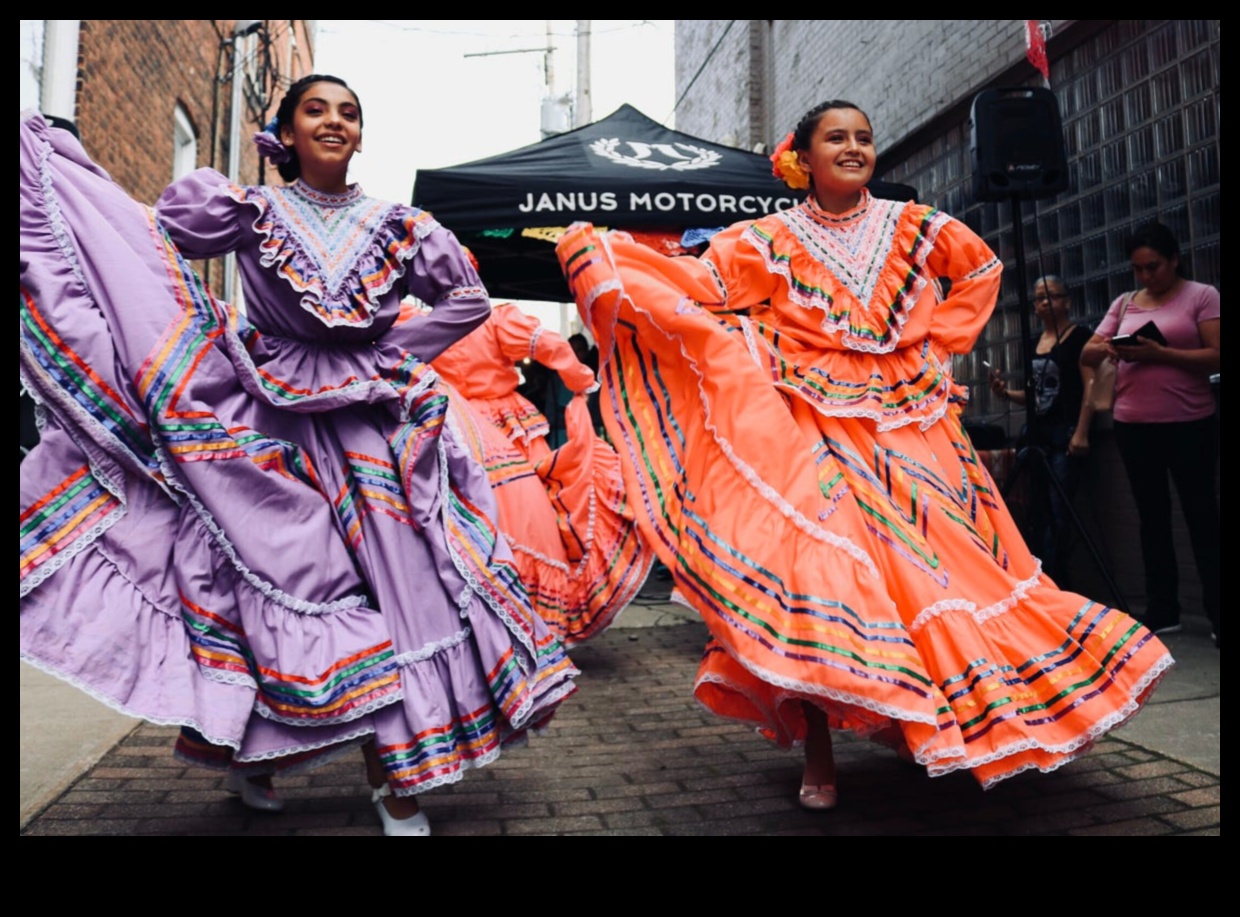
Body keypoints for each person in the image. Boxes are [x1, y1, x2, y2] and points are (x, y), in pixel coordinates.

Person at [556, 100, 1172, 808]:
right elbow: (705, 288)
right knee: (826, 581)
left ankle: (933, 718)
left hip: (915, 430)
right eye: (836, 138)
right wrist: (612, 257)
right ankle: (819, 756)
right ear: (804, 160)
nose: (854, 147)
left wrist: (937, 347)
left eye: (864, 137)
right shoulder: (765, 239)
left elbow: (979, 271)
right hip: (815, 428)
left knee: (941, 576)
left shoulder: (915, 226)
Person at [19, 75, 578, 836]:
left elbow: (467, 302)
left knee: (397, 593)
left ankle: (398, 784)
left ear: (360, 136)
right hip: (266, 419)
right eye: (316, 109)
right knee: (270, 583)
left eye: (349, 112)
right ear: (286, 132)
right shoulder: (252, 210)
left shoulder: (398, 225)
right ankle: (255, 757)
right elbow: (151, 242)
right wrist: (62, 177)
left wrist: (385, 353)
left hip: (369, 428)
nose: (335, 121)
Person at [426, 300, 654, 644]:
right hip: (506, 424)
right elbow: (550, 345)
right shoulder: (495, 319)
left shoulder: (425, 324)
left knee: (469, 516)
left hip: (456, 424)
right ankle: (533, 613)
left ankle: (486, 617)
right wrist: (581, 379)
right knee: (542, 509)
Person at [1080, 222, 1220, 642]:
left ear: (1174, 259)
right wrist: (1110, 346)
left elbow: (1215, 355)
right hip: (1133, 425)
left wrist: (1161, 353)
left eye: (1153, 267)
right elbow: (1087, 351)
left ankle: (1217, 612)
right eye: (1138, 269)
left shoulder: (1202, 295)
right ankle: (1163, 609)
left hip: (1190, 423)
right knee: (1151, 518)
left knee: (1202, 516)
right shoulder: (1125, 302)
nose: (1146, 277)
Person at [989, 276, 1095, 583]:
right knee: (1036, 509)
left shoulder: (1080, 337)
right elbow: (1036, 396)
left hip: (1066, 431)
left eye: (1052, 296)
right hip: (1038, 434)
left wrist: (1082, 431)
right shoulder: (1034, 343)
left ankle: (1051, 578)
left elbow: (1090, 385)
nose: (1045, 303)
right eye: (1039, 298)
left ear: (1067, 301)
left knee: (1059, 508)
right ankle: (1038, 576)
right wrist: (1006, 393)